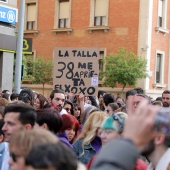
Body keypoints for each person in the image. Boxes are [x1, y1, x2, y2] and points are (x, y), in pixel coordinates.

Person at [91, 97, 160, 170]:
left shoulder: (138, 166)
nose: (102, 136)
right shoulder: (96, 159)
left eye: (108, 132)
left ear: (123, 134)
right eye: (101, 131)